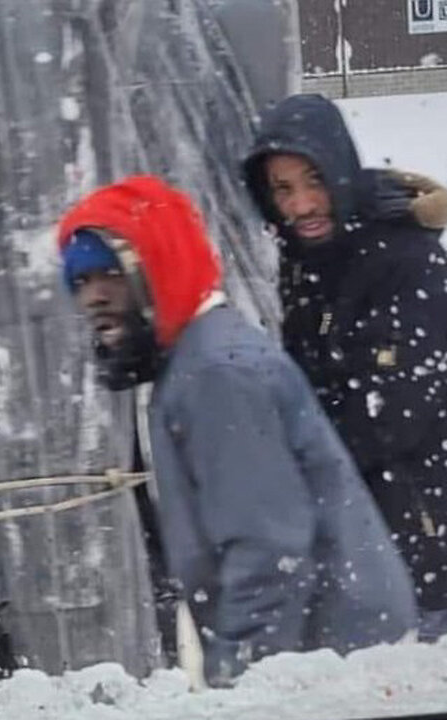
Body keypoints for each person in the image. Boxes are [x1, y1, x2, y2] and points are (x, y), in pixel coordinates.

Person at [56, 174, 419, 686]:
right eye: (79, 281)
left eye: (108, 274)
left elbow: (270, 553)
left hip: (334, 663)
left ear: (161, 264)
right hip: (323, 652)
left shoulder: (214, 375)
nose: (92, 297)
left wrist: (240, 685)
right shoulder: (189, 362)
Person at [241, 93, 447, 640]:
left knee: (408, 673)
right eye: (283, 189)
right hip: (393, 521)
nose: (302, 205)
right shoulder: (307, 260)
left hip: (442, 517)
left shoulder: (408, 263)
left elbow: (388, 413)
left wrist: (284, 453)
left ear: (339, 172)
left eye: (314, 181)